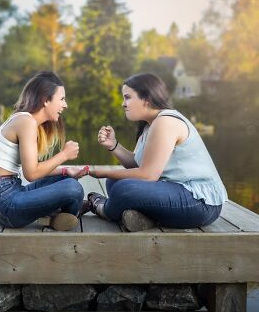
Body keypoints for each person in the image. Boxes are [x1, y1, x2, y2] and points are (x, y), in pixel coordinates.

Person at [82, 73, 227, 232]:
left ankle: (101, 208)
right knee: (113, 182)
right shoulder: (149, 125)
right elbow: (138, 165)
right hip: (176, 192)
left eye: (128, 97)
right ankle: (145, 219)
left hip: (200, 203)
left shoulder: (165, 121)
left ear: (147, 99)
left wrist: (96, 171)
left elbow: (148, 175)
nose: (123, 104)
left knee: (123, 190)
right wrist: (114, 145)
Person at [0, 71, 87, 231]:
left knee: (67, 178)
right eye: (62, 99)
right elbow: (31, 174)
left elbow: (35, 168)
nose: (65, 105)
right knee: (73, 189)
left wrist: (66, 170)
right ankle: (65, 212)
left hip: (12, 192)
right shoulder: (26, 122)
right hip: (4, 204)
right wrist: (64, 155)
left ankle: (53, 217)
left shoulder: (26, 120)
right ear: (46, 100)